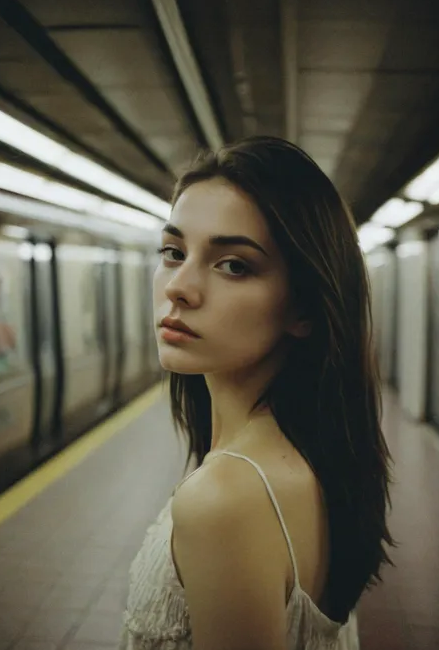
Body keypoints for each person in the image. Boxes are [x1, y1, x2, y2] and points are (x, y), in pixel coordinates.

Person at [119, 136, 395, 650]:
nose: (179, 286)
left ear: (304, 311)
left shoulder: (227, 498)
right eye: (174, 252)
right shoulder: (313, 452)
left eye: (234, 265)